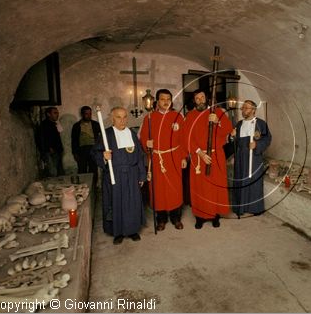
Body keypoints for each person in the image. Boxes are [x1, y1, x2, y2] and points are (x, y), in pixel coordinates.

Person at [91, 107, 146, 245]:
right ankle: (118, 232)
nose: (122, 120)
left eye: (125, 117)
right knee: (116, 203)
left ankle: (132, 230)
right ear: (112, 119)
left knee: (132, 203)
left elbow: (139, 156)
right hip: (114, 175)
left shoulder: (132, 134)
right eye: (118, 117)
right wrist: (104, 156)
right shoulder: (106, 134)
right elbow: (95, 153)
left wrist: (141, 175)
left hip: (132, 175)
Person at [183, 89, 233, 229]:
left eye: (202, 97)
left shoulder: (217, 112)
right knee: (200, 188)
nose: (200, 100)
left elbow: (228, 129)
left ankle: (215, 215)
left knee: (215, 186)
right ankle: (200, 217)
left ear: (207, 99)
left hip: (216, 155)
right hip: (198, 157)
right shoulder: (190, 116)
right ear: (194, 101)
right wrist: (200, 153)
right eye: (197, 98)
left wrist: (218, 122)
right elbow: (187, 137)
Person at [139, 89, 187, 231]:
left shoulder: (178, 117)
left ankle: (176, 217)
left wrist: (184, 156)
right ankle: (161, 219)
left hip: (174, 157)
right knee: (158, 190)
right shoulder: (149, 118)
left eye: (168, 99)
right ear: (157, 101)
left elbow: (184, 139)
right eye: (162, 99)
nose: (166, 102)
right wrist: (146, 143)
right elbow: (143, 137)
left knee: (175, 188)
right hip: (157, 158)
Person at [231, 100, 272, 216]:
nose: (243, 110)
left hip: (254, 157)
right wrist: (232, 136)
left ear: (254, 110)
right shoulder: (239, 124)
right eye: (243, 108)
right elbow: (234, 142)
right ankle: (241, 208)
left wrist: (257, 145)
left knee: (254, 181)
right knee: (241, 180)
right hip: (240, 157)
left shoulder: (261, 124)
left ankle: (255, 208)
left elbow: (267, 139)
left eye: (246, 108)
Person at [71, 106, 101, 183]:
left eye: (90, 114)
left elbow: (100, 138)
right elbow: (74, 140)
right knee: (82, 169)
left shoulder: (95, 124)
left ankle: (94, 187)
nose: (89, 115)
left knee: (93, 169)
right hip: (82, 150)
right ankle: (83, 187)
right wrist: (74, 153)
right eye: (86, 114)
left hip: (93, 149)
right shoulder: (77, 126)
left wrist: (99, 150)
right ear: (82, 114)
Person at [38, 106, 64, 177]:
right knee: (53, 172)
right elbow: (41, 139)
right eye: (55, 113)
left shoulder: (54, 124)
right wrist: (49, 148)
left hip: (57, 151)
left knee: (59, 172)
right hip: (50, 152)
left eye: (57, 113)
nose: (57, 114)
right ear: (48, 114)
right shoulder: (45, 125)